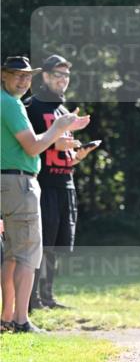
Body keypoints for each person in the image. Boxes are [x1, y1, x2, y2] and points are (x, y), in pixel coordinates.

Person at [1, 56, 89, 333]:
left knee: (13, 256)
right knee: (27, 255)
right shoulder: (13, 104)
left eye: (27, 76)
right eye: (17, 75)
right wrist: (59, 128)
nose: (23, 80)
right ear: (3, 75)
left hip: (12, 182)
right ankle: (21, 320)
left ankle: (7, 317)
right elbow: (32, 146)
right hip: (20, 183)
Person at [27, 54, 100, 310]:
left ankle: (47, 297)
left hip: (65, 183)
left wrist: (77, 155)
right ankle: (32, 299)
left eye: (66, 76)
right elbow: (25, 144)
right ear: (44, 77)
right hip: (43, 184)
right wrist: (54, 142)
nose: (63, 80)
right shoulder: (32, 106)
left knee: (56, 245)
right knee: (39, 243)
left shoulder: (63, 111)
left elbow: (62, 152)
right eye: (58, 75)